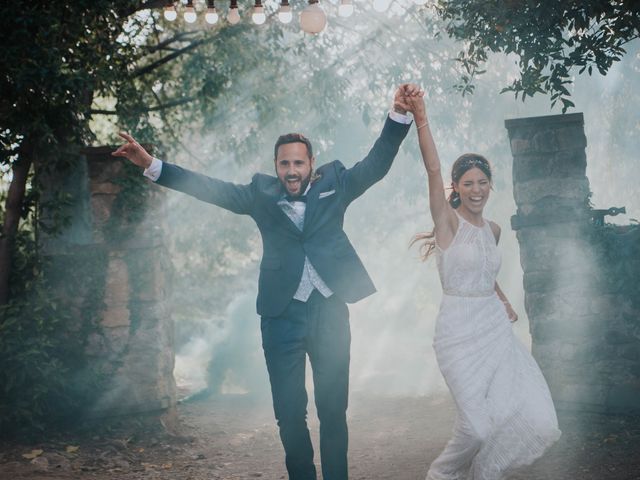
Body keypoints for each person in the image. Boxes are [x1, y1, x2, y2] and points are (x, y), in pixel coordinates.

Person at [111, 83, 420, 480]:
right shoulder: (260, 194)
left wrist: (399, 116)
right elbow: (210, 189)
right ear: (277, 167)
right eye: (284, 164)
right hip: (280, 317)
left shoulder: (336, 184)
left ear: (312, 164)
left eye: (298, 163)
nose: (291, 171)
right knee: (289, 415)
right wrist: (151, 164)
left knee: (332, 412)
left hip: (330, 312)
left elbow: (376, 164)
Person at [399, 91, 561, 479]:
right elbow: (433, 170)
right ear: (456, 186)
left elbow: (485, 274)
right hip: (457, 330)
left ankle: (481, 474)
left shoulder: (493, 229)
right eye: (468, 182)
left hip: (493, 329)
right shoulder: (448, 224)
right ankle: (441, 475)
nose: (476, 189)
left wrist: (502, 299)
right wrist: (421, 116)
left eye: (483, 182)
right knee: (476, 427)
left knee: (534, 415)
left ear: (490, 186)